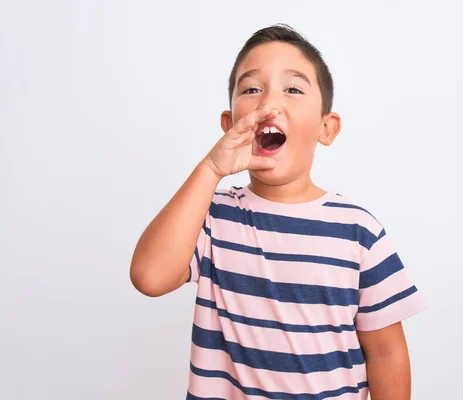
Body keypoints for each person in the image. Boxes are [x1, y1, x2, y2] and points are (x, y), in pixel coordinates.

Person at [130, 24, 426, 400]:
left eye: (293, 89)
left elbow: (386, 352)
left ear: (326, 127)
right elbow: (149, 276)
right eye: (252, 89)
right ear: (228, 124)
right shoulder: (211, 217)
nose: (269, 104)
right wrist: (210, 169)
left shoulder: (358, 231)